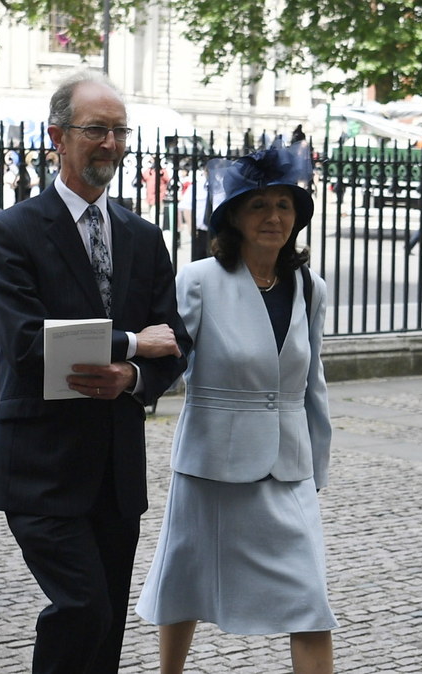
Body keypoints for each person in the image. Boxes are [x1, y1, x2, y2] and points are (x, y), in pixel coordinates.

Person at [0, 70, 190, 673]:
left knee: (109, 628)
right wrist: (130, 343)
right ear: (57, 136)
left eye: (120, 131)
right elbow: (25, 342)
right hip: (40, 467)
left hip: (115, 471)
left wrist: (135, 377)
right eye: (96, 129)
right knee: (82, 607)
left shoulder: (144, 238)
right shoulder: (10, 232)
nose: (112, 144)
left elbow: (175, 342)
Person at [136, 144, 336, 673]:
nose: (274, 217)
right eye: (259, 205)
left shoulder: (309, 287)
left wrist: (317, 461)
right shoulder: (199, 280)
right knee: (187, 579)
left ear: (298, 217)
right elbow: (169, 358)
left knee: (310, 597)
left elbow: (313, 379)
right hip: (212, 467)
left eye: (285, 206)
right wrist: (129, 380)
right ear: (234, 216)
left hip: (288, 466)